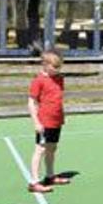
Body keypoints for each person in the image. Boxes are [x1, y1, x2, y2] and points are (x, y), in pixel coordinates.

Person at [27, 50, 71, 193]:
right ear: (45, 64)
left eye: (59, 67)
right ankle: (34, 182)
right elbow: (31, 103)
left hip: (56, 121)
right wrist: (36, 122)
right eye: (55, 67)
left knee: (52, 148)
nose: (58, 69)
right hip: (44, 121)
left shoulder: (59, 79)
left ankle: (50, 176)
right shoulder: (38, 80)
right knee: (40, 150)